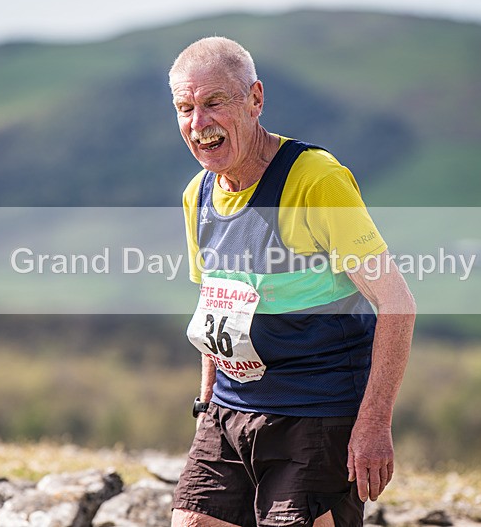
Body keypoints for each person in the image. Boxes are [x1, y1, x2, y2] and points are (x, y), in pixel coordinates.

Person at [169, 36, 416, 527]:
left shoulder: (314, 179)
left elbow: (396, 304)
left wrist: (374, 424)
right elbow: (213, 303)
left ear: (256, 99)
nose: (199, 124)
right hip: (228, 413)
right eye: (185, 108)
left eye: (215, 102)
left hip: (315, 413)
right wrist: (206, 406)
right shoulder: (197, 194)